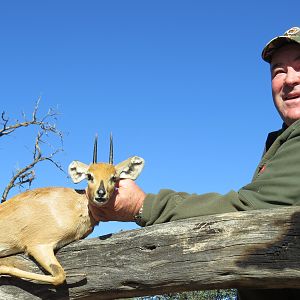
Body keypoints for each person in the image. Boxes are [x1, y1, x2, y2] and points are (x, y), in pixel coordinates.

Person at [89, 27, 300, 300]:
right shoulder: (281, 141)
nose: (289, 80)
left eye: (299, 67)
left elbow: (249, 211)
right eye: (278, 71)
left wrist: (143, 206)